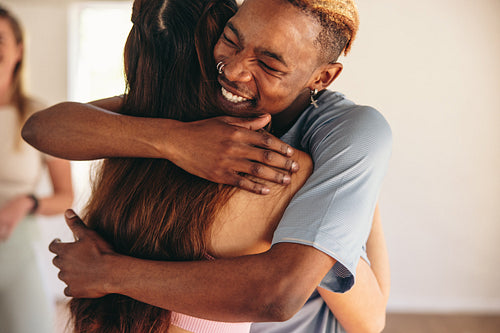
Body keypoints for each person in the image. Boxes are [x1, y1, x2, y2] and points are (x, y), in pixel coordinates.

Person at [24, 0, 392, 332]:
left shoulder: (344, 135)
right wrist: (174, 141)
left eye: (268, 63)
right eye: (231, 40)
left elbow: (295, 298)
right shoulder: (203, 99)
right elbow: (42, 127)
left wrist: (107, 272)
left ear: (321, 78)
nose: (233, 70)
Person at [0, 5, 74, 333]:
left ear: (18, 50)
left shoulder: (40, 118)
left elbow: (65, 196)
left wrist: (27, 202)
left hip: (17, 253)